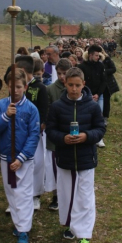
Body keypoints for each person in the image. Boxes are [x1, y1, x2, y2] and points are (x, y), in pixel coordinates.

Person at [46, 67, 106, 243]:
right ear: (65, 84)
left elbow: (100, 129)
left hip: (86, 159)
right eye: (70, 85)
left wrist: (86, 136)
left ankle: (84, 238)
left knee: (86, 198)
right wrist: (62, 138)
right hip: (65, 159)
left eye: (77, 85)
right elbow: (50, 129)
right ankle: (68, 224)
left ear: (83, 85)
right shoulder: (57, 106)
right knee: (66, 195)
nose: (73, 89)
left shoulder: (92, 106)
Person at [0, 69, 40, 243]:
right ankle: (18, 224)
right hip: (5, 157)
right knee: (11, 191)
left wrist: (21, 157)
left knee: (24, 194)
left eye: (19, 87)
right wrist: (5, 116)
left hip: (24, 160)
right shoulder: (1, 106)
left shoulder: (31, 109)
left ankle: (24, 230)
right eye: (12, 87)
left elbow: (34, 135)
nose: (15, 90)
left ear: (25, 87)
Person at [15, 56, 48, 211]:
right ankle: (18, 195)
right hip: (20, 131)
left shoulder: (39, 87)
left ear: (24, 70)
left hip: (35, 132)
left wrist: (41, 125)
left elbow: (44, 108)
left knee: (37, 163)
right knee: (19, 161)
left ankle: (35, 195)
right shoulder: (16, 87)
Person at [45, 58, 72, 211]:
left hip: (70, 133)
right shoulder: (50, 90)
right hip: (55, 135)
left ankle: (66, 194)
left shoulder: (73, 88)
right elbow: (48, 112)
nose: (62, 77)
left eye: (65, 73)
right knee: (54, 168)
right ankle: (55, 196)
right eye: (59, 73)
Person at [77, 44, 107, 148]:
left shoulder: (101, 66)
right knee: (87, 117)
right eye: (96, 55)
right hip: (86, 95)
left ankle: (99, 138)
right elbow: (81, 82)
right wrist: (88, 94)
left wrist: (98, 94)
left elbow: (104, 81)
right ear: (90, 55)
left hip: (99, 95)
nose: (98, 57)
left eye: (99, 55)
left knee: (99, 116)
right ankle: (88, 136)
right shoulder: (82, 67)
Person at [101, 51, 119, 125]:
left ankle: (105, 117)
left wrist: (104, 71)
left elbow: (113, 69)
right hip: (97, 83)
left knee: (106, 100)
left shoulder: (107, 59)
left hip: (107, 83)